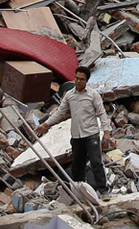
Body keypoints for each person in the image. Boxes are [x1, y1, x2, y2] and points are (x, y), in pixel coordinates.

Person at [44, 67, 113, 196]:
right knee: (77, 165)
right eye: (76, 78)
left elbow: (102, 113)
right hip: (76, 135)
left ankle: (103, 191)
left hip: (91, 134)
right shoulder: (70, 95)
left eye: (81, 79)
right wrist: (46, 124)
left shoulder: (93, 95)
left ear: (86, 81)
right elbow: (60, 112)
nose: (78, 81)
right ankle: (79, 191)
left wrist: (106, 131)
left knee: (96, 162)